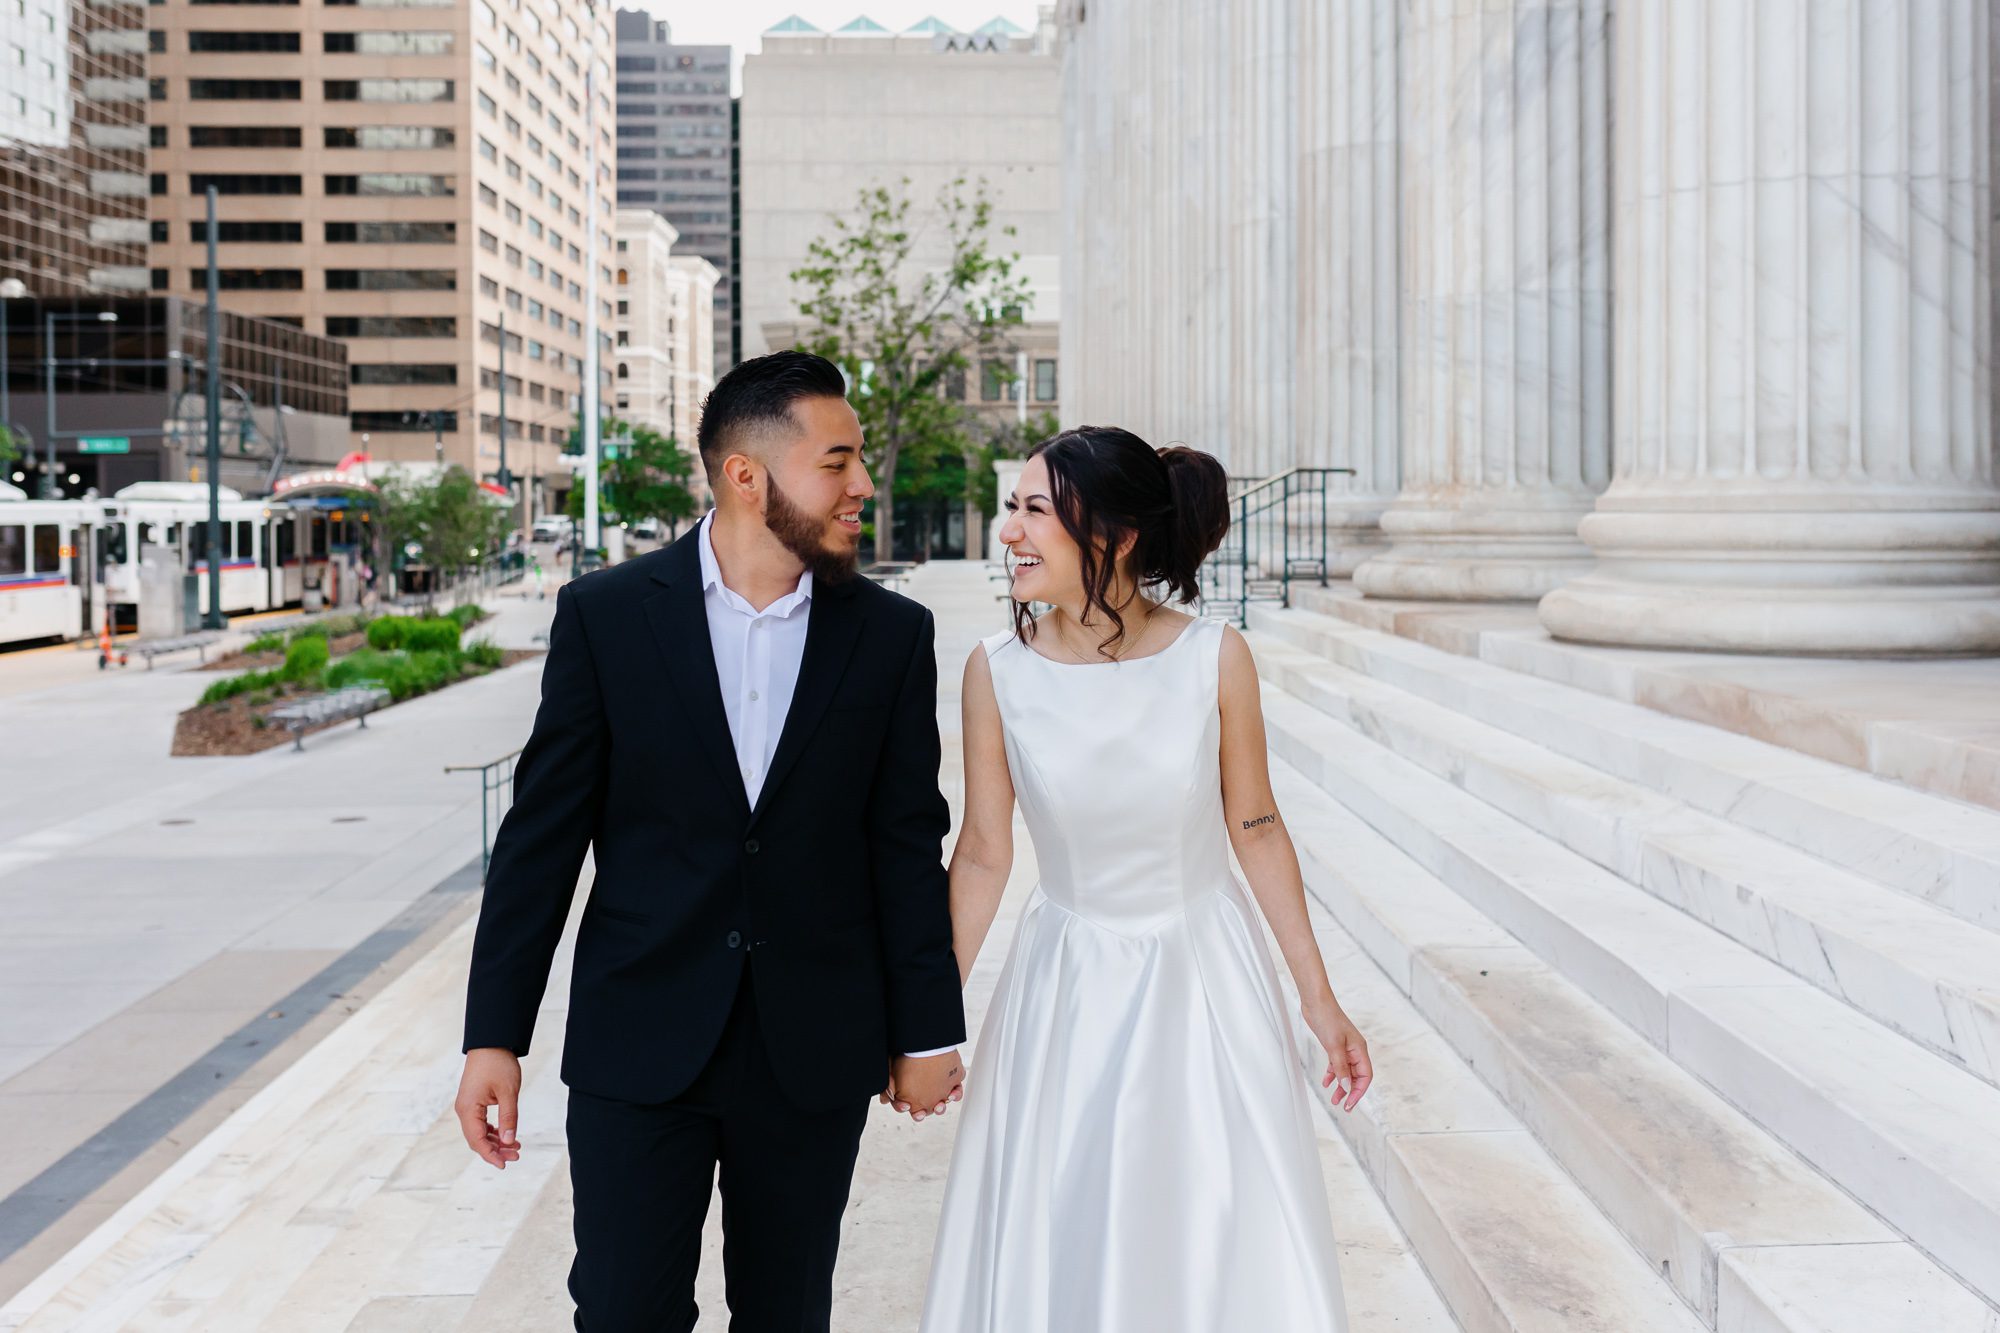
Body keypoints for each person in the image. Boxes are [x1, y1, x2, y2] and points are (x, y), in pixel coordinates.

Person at [452, 350, 968, 1332]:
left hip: (811, 1048)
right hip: (639, 1042)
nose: (862, 485)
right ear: (746, 474)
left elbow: (904, 845)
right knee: (621, 1310)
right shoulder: (604, 618)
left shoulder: (891, 636)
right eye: (837, 461)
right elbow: (541, 842)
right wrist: (493, 1033)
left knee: (786, 1313)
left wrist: (924, 1026)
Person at [921, 426, 1372, 1332]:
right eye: (1012, 509)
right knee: (1071, 1221)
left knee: (1211, 1225)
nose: (1008, 532)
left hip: (1205, 979)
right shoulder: (995, 674)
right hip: (1067, 990)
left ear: (1117, 537)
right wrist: (922, 1026)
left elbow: (1257, 826)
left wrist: (1319, 1001)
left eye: (1034, 511)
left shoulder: (1215, 656)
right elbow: (981, 852)